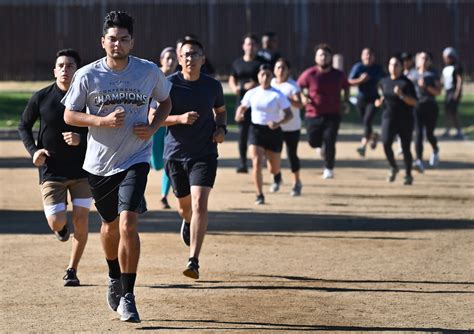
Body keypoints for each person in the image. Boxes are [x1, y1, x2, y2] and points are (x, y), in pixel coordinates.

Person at [62, 11, 172, 323]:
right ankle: (114, 275)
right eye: (112, 38)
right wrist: (100, 121)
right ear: (103, 41)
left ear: (131, 42)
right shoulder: (87, 75)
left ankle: (129, 295)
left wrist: (152, 128)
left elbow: (166, 102)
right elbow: (70, 115)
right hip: (99, 163)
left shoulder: (148, 71)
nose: (118, 44)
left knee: (127, 224)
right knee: (109, 225)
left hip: (136, 158)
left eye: (124, 39)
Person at [18, 49, 91, 287]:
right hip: (51, 171)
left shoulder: (87, 99)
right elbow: (23, 126)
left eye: (70, 66)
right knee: (57, 221)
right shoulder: (41, 97)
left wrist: (82, 139)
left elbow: (102, 130)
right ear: (54, 70)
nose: (65, 70)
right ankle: (61, 229)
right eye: (60, 65)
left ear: (77, 71)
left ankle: (72, 269)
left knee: (81, 219)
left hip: (82, 171)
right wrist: (34, 151)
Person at [162, 39, 226, 279]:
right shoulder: (168, 85)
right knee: (184, 207)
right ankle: (188, 221)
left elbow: (220, 111)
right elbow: (151, 115)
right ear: (179, 58)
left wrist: (221, 129)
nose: (190, 59)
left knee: (200, 203)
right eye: (186, 55)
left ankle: (193, 260)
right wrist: (178, 119)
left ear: (203, 58)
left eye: (195, 54)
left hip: (204, 153)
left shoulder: (213, 86)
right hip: (175, 154)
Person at [235, 64, 292, 205]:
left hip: (273, 132)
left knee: (273, 167)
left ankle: (277, 175)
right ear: (258, 77)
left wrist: (278, 123)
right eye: (262, 75)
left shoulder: (278, 94)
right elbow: (242, 106)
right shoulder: (252, 93)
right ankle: (259, 194)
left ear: (271, 76)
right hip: (256, 130)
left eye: (268, 75)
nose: (265, 78)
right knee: (256, 162)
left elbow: (289, 114)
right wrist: (239, 114)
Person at [297, 43, 350, 179]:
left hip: (333, 113)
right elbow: (298, 86)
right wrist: (303, 97)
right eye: (321, 55)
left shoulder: (338, 75)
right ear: (316, 58)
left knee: (330, 140)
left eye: (326, 55)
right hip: (313, 113)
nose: (323, 58)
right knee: (313, 141)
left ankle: (329, 168)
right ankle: (319, 147)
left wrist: (345, 101)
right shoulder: (310, 74)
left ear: (330, 58)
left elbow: (346, 86)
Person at [375, 56, 417, 185]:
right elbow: (381, 97)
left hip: (405, 119)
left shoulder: (406, 83)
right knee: (386, 143)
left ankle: (408, 174)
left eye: (396, 65)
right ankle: (393, 166)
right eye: (391, 64)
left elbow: (414, 102)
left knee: (405, 148)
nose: (393, 68)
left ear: (401, 67)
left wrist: (402, 95)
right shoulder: (384, 82)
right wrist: (378, 102)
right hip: (389, 117)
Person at [229, 33, 264, 173]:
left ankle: (260, 159)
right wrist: (234, 87)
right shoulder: (237, 62)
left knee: (258, 132)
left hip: (258, 103)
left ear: (257, 47)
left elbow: (267, 79)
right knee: (243, 133)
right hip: (242, 101)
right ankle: (243, 163)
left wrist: (254, 85)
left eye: (253, 44)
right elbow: (233, 77)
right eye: (248, 44)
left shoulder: (261, 63)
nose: (250, 47)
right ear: (244, 46)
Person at [271, 58, 304, 196]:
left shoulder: (293, 86)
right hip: (274, 126)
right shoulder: (271, 83)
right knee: (273, 156)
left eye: (283, 68)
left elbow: (299, 104)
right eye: (278, 67)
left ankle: (296, 182)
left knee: (291, 155)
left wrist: (285, 98)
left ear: (288, 71)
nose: (280, 70)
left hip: (291, 126)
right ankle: (277, 178)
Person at [150, 47, 177, 209]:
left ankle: (164, 196)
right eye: (168, 58)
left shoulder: (177, 79)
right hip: (153, 125)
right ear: (161, 59)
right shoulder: (153, 76)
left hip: (169, 124)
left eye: (174, 58)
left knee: (169, 160)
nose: (171, 61)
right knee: (157, 163)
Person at [348, 48, 385, 157]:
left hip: (374, 98)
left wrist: (383, 97)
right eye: (365, 55)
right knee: (366, 122)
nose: (368, 57)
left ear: (373, 57)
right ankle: (373, 135)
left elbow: (385, 82)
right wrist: (360, 80)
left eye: (370, 55)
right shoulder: (358, 67)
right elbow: (349, 82)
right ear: (362, 56)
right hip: (361, 98)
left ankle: (363, 146)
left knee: (368, 120)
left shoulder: (378, 69)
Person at [409, 51, 442, 172]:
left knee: (429, 134)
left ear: (429, 61)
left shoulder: (433, 74)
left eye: (426, 58)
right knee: (418, 133)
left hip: (430, 106)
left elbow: (438, 92)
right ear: (417, 60)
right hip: (417, 107)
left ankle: (435, 149)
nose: (424, 60)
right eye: (421, 58)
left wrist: (426, 87)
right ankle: (419, 160)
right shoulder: (412, 74)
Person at [441, 47, 464, 139]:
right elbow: (443, 80)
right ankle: (448, 129)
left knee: (453, 112)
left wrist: (457, 92)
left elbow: (459, 80)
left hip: (453, 91)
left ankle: (459, 131)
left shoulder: (457, 66)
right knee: (447, 111)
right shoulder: (446, 68)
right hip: (448, 92)